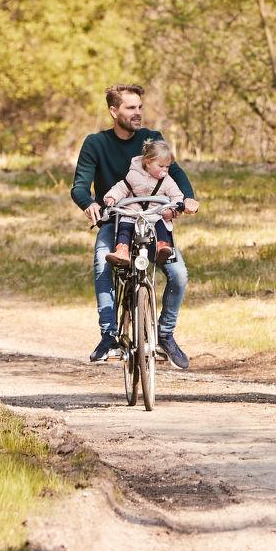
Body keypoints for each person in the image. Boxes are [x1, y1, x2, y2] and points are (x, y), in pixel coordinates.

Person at [70, 84, 198, 368]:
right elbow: (80, 186)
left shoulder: (151, 139)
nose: (137, 113)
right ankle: (109, 336)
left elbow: (174, 172)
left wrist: (186, 198)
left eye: (140, 107)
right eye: (130, 108)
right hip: (116, 218)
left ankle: (165, 333)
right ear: (114, 111)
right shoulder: (96, 143)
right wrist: (89, 203)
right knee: (102, 263)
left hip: (153, 218)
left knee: (178, 274)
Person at [101, 139, 184, 262]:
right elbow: (122, 188)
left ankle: (162, 247)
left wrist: (174, 208)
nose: (165, 170)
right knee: (125, 226)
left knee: (161, 224)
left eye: (167, 167)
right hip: (133, 213)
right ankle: (122, 251)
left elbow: (176, 195)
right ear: (147, 163)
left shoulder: (167, 181)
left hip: (154, 213)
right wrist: (111, 196)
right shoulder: (134, 175)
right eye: (161, 166)